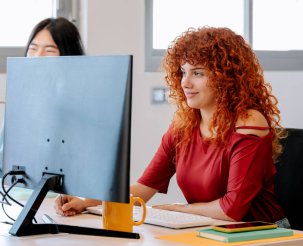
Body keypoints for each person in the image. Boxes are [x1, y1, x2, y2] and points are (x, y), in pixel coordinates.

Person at [55, 26, 290, 224]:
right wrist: (87, 202)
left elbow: (232, 210)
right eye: (182, 72)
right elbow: (143, 189)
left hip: (265, 239)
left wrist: (178, 210)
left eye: (198, 73)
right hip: (208, 235)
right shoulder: (183, 126)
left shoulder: (249, 123)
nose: (185, 82)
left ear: (226, 77)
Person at [0, 17, 84, 172]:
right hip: (16, 188)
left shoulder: (79, 103)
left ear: (68, 54)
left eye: (50, 50)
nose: (38, 55)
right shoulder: (21, 99)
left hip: (60, 191)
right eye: (33, 48)